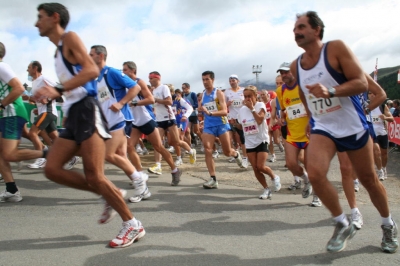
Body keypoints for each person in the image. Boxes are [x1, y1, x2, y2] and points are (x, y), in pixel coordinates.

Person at [34, 3, 144, 248]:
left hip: (87, 111)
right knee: (52, 169)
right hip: (73, 114)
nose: (36, 23)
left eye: (40, 17)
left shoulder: (69, 38)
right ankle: (107, 193)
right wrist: (58, 98)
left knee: (95, 175)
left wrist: (58, 89)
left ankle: (132, 224)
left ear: (54, 18)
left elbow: (92, 71)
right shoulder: (56, 53)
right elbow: (74, 85)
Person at [293, 11, 398, 253]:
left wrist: (330, 92)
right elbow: (303, 91)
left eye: (301, 27)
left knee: (369, 180)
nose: (296, 32)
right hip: (324, 127)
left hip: (353, 126)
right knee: (317, 173)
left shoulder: (336, 49)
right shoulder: (296, 64)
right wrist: (311, 115)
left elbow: (363, 84)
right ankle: (341, 222)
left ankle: (387, 224)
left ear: (316, 30)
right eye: (294, 29)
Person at [89, 45, 150, 202]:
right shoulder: (97, 78)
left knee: (108, 154)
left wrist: (121, 103)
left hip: (121, 119)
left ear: (101, 56)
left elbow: (135, 87)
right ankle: (142, 186)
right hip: (109, 122)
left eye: (92, 55)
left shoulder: (112, 72)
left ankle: (139, 179)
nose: (89, 57)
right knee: (121, 155)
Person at [122, 62, 183, 186]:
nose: (123, 72)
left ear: (133, 70)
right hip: (135, 121)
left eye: (125, 70)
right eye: (122, 70)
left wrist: (134, 104)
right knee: (129, 147)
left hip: (146, 119)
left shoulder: (140, 83)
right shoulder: (124, 84)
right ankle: (140, 175)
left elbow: (150, 99)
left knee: (158, 147)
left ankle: (175, 170)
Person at [0, 42, 47, 202]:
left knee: (9, 154)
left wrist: (2, 104)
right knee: (2, 154)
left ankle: (48, 153)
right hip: (5, 115)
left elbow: (19, 88)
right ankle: (11, 190)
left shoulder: (2, 67)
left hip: (12, 113)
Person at [272, 62, 313, 200]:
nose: (284, 75)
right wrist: (282, 118)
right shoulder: (280, 91)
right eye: (282, 73)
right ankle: (306, 180)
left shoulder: (304, 86)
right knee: (290, 164)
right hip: (292, 133)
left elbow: (313, 106)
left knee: (311, 165)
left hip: (310, 133)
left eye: (286, 72)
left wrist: (311, 123)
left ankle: (317, 197)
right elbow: (284, 109)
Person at [199, 71, 243, 189]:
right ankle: (213, 179)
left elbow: (224, 111)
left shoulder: (218, 93)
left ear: (212, 80)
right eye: (203, 80)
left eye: (207, 79)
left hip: (221, 124)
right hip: (208, 126)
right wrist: (201, 110)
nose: (205, 82)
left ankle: (236, 154)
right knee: (208, 149)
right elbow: (200, 108)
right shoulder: (203, 94)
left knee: (227, 152)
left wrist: (210, 113)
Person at [236, 85, 281, 199]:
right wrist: (233, 124)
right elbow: (242, 126)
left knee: (261, 166)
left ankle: (274, 177)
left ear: (255, 96)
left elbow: (260, 120)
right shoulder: (242, 110)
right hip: (250, 142)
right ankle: (266, 189)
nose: (247, 99)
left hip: (262, 139)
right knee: (255, 168)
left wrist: (251, 109)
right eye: (245, 96)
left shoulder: (260, 105)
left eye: (250, 96)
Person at [149, 72, 196, 174]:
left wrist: (185, 116)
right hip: (159, 120)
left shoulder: (164, 88)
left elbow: (169, 102)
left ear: (157, 78)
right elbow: (154, 104)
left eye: (151, 78)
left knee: (176, 141)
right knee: (157, 143)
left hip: (170, 118)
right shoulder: (154, 90)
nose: (149, 80)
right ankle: (158, 165)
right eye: (148, 78)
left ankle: (191, 151)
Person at [224, 74, 248, 168]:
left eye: (233, 80)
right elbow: (223, 105)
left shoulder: (243, 90)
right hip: (231, 118)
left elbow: (249, 101)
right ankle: (234, 153)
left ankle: (245, 158)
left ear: (238, 81)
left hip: (242, 117)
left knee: (242, 139)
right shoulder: (226, 92)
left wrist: (244, 103)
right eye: (230, 81)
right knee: (228, 139)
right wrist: (227, 104)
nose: (232, 82)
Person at [182, 83, 201, 147]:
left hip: (194, 114)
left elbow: (196, 104)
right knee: (188, 131)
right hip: (188, 115)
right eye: (182, 88)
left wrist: (189, 107)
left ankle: (203, 142)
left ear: (188, 87)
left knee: (197, 131)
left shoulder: (193, 94)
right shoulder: (183, 95)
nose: (183, 89)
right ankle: (190, 144)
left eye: (184, 88)